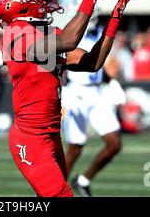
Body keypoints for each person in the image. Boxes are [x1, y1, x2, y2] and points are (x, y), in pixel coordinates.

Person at [0, 0, 137, 197]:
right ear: (21, 8)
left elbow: (92, 63)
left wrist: (114, 21)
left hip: (51, 135)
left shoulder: (45, 35)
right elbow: (69, 41)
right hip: (31, 140)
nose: (42, 2)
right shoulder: (17, 36)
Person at [62, 12, 125, 197]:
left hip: (97, 92)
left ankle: (83, 180)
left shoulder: (99, 32)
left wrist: (112, 81)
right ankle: (54, 191)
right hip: (76, 92)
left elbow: (108, 65)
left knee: (114, 144)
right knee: (75, 148)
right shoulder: (70, 32)